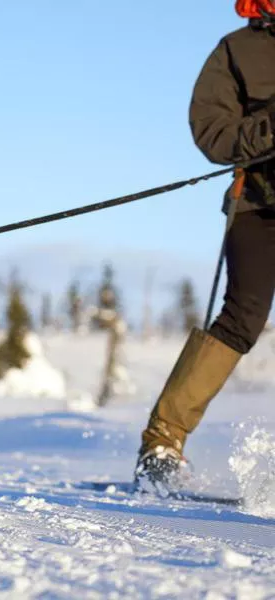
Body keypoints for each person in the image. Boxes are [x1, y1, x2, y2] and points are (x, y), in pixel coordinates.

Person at [135, 0, 275, 488]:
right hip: (259, 204)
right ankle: (162, 443)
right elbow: (214, 136)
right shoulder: (237, 51)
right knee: (241, 318)